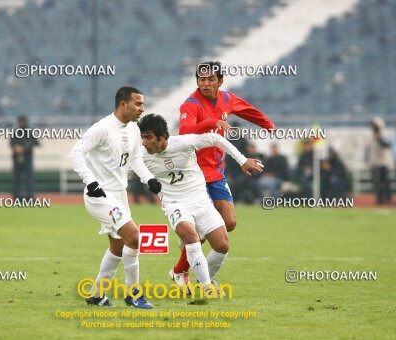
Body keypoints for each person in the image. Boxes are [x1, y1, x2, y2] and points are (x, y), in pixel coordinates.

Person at [171, 61, 274, 285]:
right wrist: (210, 122)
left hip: (217, 172)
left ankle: (189, 261)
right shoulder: (190, 104)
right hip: (194, 174)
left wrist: (268, 125)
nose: (205, 84)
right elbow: (185, 132)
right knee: (205, 233)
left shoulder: (226, 99)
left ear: (220, 81)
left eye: (210, 79)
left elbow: (247, 110)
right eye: (201, 79)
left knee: (229, 222)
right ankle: (190, 274)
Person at [139, 114, 263, 293]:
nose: (144, 142)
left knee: (222, 245)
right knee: (191, 237)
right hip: (175, 204)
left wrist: (242, 160)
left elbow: (215, 138)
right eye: (142, 137)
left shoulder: (183, 143)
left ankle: (198, 278)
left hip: (200, 200)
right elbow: (122, 166)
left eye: (148, 137)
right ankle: (207, 288)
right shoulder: (141, 155)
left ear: (163, 136)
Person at [69, 87, 162, 308]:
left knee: (119, 247)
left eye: (142, 104)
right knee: (135, 237)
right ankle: (134, 294)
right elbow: (76, 152)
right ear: (123, 105)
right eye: (138, 104)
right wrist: (90, 182)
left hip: (119, 196)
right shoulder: (102, 128)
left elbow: (136, 160)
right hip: (99, 196)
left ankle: (97, 294)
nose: (142, 108)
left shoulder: (133, 130)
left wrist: (149, 179)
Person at [11, 116, 39, 199]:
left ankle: (30, 196)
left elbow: (35, 142)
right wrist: (16, 148)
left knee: (29, 178)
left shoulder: (30, 132)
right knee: (16, 178)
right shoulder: (16, 132)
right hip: (17, 158)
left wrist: (24, 148)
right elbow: (12, 143)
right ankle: (16, 196)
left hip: (27, 158)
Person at [366, 117, 392, 204]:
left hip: (384, 162)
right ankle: (379, 199)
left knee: (385, 182)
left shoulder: (385, 133)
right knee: (377, 183)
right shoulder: (372, 135)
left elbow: (386, 144)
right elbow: (369, 149)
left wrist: (379, 138)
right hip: (375, 162)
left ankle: (388, 199)